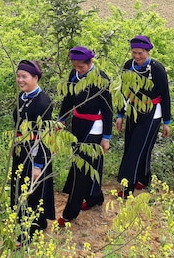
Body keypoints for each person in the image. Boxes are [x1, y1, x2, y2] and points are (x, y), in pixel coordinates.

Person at [57, 46, 113, 227]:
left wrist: (106, 136)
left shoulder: (101, 79)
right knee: (88, 164)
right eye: (75, 66)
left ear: (91, 63)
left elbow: (108, 109)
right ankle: (94, 196)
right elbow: (68, 98)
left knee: (81, 170)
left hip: (94, 128)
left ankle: (69, 213)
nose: (77, 69)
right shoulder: (74, 76)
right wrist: (61, 119)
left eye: (81, 67)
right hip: (78, 124)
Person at [115, 35, 171, 197]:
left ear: (148, 52)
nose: (137, 56)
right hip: (133, 109)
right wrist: (120, 114)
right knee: (132, 145)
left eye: (141, 53)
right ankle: (142, 177)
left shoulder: (157, 69)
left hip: (152, 112)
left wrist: (166, 121)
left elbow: (165, 95)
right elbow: (124, 91)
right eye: (134, 53)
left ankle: (128, 186)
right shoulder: (128, 66)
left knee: (138, 147)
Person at [9, 59, 55, 240]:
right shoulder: (22, 97)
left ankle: (31, 230)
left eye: (24, 77)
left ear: (35, 77)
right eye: (18, 76)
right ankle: (26, 223)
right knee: (19, 188)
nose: (20, 80)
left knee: (33, 191)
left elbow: (44, 135)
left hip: (36, 151)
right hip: (22, 148)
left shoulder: (44, 102)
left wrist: (38, 164)